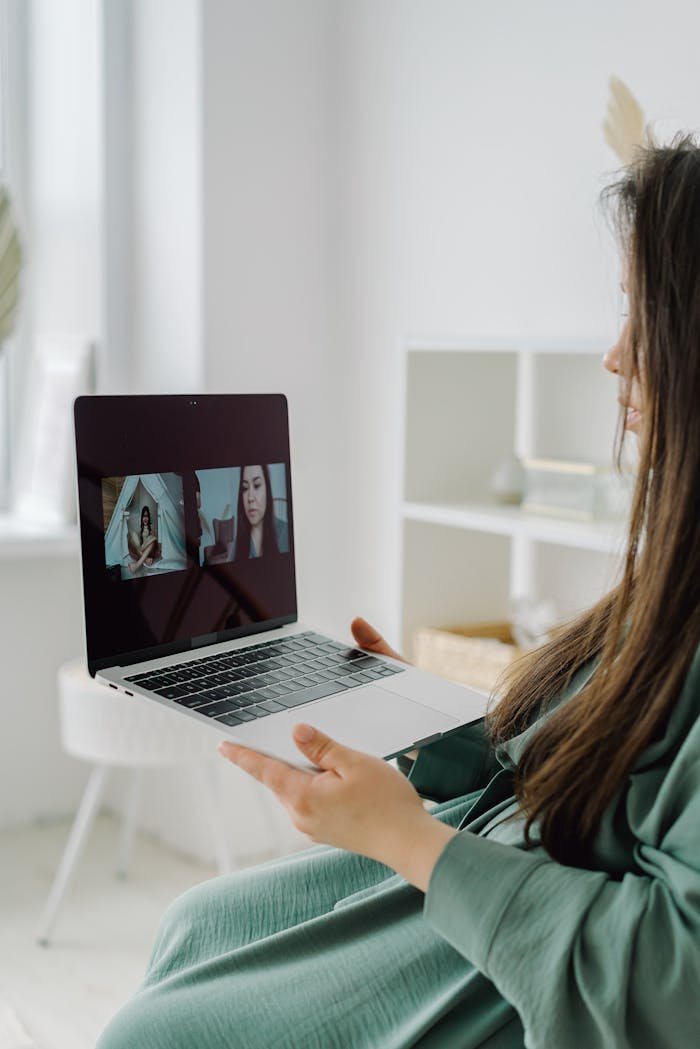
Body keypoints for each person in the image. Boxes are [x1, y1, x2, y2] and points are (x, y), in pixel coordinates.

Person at [97, 138, 700, 1048]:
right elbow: (584, 776)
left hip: (507, 950)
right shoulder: (675, 576)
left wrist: (408, 839)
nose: (615, 357)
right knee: (195, 924)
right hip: (489, 873)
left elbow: (674, 981)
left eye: (641, 314)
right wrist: (433, 734)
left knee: (153, 1033)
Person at [233, 463, 289, 559]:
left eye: (257, 485)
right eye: (245, 488)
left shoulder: (286, 533)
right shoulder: (237, 543)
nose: (250, 498)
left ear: (267, 490)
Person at [127, 504, 157, 575]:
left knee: (152, 539)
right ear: (141, 518)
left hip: (150, 550)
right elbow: (138, 543)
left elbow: (153, 540)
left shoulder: (151, 527)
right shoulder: (141, 528)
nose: (145, 518)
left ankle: (137, 565)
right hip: (142, 551)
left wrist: (150, 535)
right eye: (144, 516)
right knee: (132, 538)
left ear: (149, 518)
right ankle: (145, 560)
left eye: (147, 516)